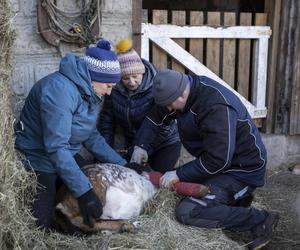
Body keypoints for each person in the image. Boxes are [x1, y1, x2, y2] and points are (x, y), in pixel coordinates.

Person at [134, 69, 279, 250]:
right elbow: (155, 117)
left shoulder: (215, 106)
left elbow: (218, 160)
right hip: (215, 165)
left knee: (188, 211)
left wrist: (179, 173)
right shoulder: (182, 91)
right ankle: (232, 201)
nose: (169, 110)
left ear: (181, 94)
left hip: (241, 170)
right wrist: (140, 146)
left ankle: (260, 219)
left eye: (170, 105)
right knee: (176, 190)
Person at [14, 39, 136, 231]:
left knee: (94, 199)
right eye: (108, 86)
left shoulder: (91, 91)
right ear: (93, 77)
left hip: (65, 154)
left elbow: (90, 135)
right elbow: (55, 146)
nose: (110, 92)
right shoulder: (58, 91)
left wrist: (122, 164)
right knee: (43, 226)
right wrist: (83, 192)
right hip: (39, 157)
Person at [98, 39, 181, 173]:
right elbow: (107, 122)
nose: (131, 82)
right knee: (132, 177)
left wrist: (141, 149)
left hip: (164, 142)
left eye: (135, 76)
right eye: (125, 78)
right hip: (135, 145)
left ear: (142, 72)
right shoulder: (113, 90)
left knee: (158, 180)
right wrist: (104, 153)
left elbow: (162, 125)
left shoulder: (157, 87)